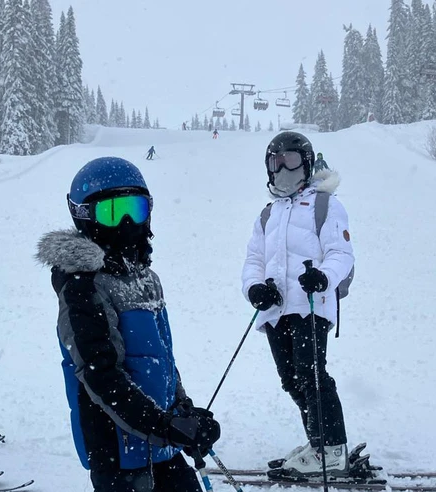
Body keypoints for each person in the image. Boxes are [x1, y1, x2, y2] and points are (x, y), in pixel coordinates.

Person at [36, 157, 221, 491]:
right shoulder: (82, 286)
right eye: (110, 212)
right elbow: (101, 375)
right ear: (85, 217)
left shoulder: (146, 279)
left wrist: (185, 413)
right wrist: (166, 425)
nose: (125, 222)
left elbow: (162, 362)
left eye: (134, 209)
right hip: (117, 455)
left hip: (159, 445)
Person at [241, 132, 354, 477]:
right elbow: (253, 261)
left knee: (312, 374)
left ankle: (332, 449)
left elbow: (341, 254)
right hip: (277, 311)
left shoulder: (324, 204)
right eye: (275, 162)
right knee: (291, 379)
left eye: (289, 159)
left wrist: (323, 276)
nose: (282, 168)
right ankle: (317, 443)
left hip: (310, 304)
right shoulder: (267, 214)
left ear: (305, 163)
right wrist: (255, 289)